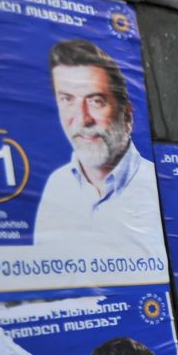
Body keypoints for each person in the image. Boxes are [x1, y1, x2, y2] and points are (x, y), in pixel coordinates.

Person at [31, 39, 160, 253]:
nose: (82, 119)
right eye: (67, 100)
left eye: (96, 101)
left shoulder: (154, 184)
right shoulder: (57, 186)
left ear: (127, 114)